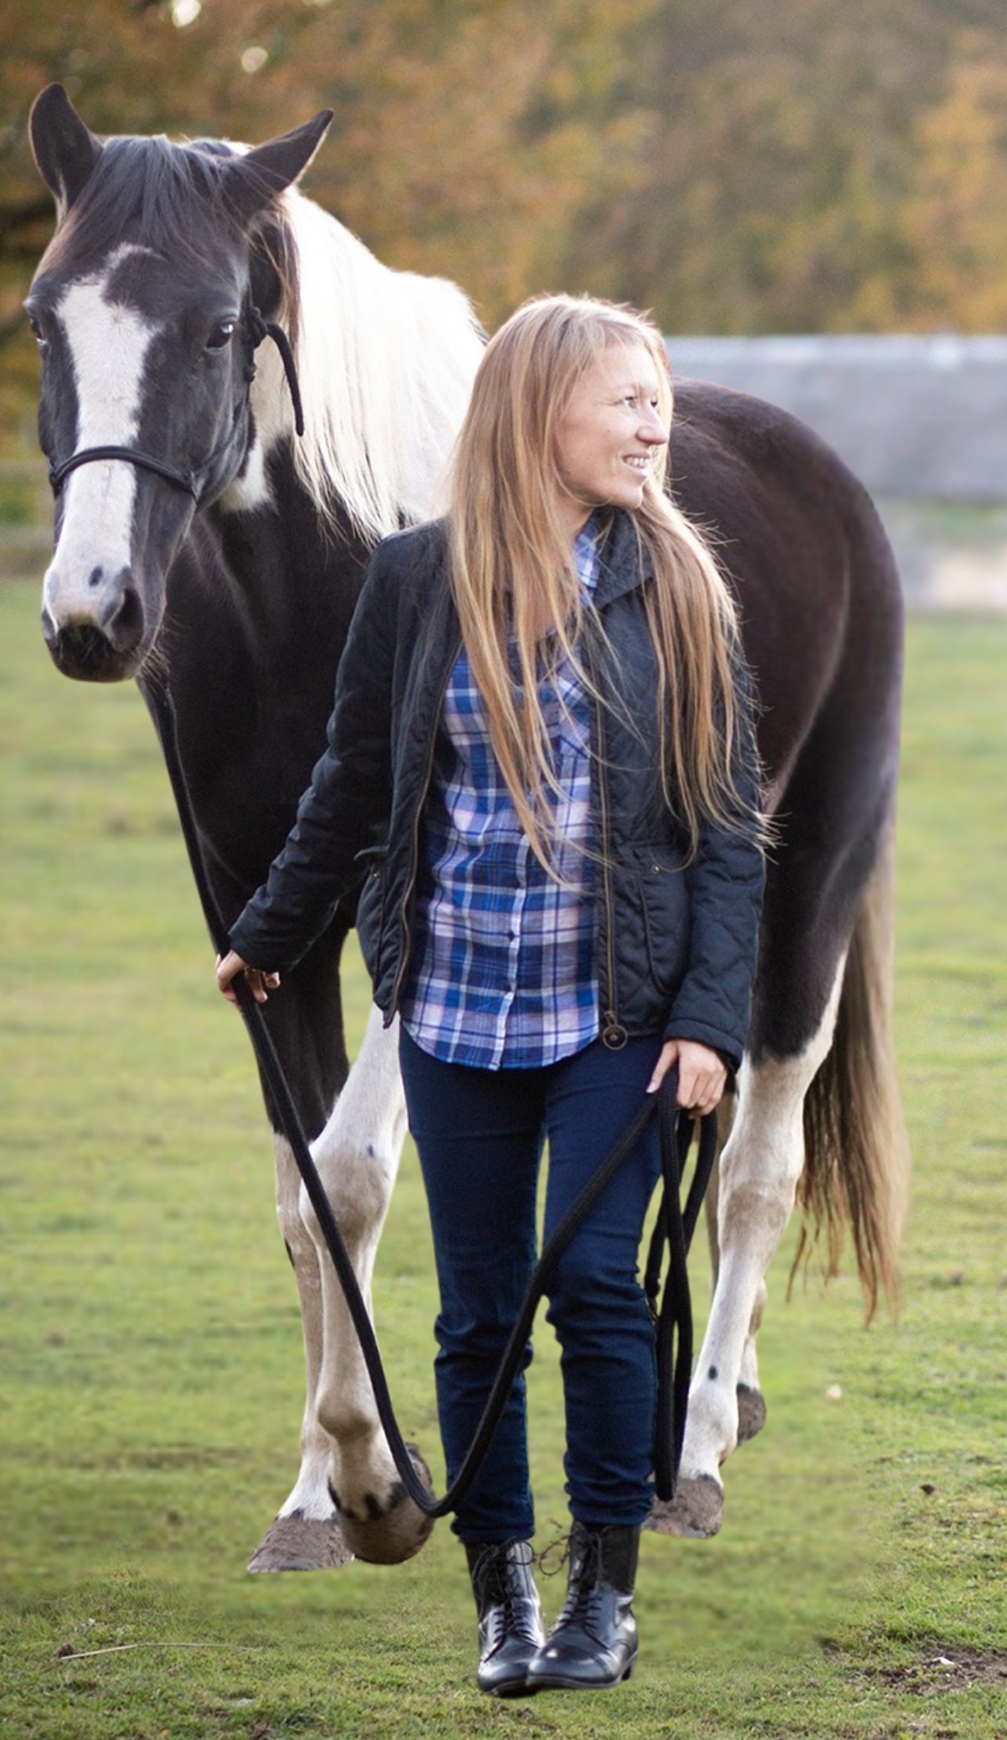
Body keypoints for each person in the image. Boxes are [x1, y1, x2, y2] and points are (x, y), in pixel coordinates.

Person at [215, 294, 766, 1697]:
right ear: (534, 414)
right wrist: (270, 930)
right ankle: (502, 1597)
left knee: (591, 1283)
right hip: (455, 1006)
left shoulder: (681, 590)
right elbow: (353, 781)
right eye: (623, 401)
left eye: (660, 400)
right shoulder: (414, 582)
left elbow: (727, 832)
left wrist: (709, 1025)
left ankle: (605, 1600)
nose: (654, 425)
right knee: (474, 1316)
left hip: (619, 1014)